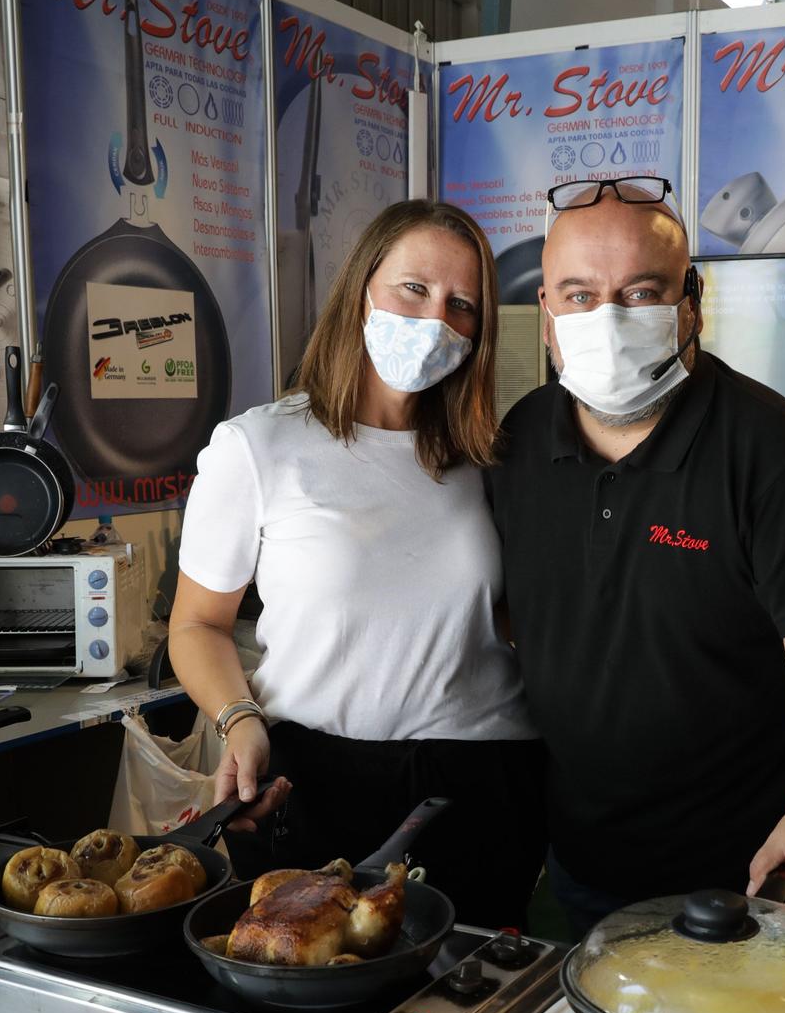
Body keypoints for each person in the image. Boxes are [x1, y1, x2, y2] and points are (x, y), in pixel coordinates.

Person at [484, 175, 785, 936]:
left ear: (691, 300)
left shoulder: (772, 453)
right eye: (577, 294)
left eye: (640, 292)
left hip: (742, 869)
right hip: (579, 855)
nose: (606, 318)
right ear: (545, 316)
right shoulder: (518, 443)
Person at [167, 200, 546, 930]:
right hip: (316, 783)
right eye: (415, 289)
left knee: (466, 1010)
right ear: (361, 288)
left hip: (482, 782)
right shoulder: (258, 447)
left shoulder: (484, 459)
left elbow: (504, 619)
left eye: (461, 304)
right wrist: (240, 719)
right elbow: (197, 625)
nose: (436, 318)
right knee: (307, 990)